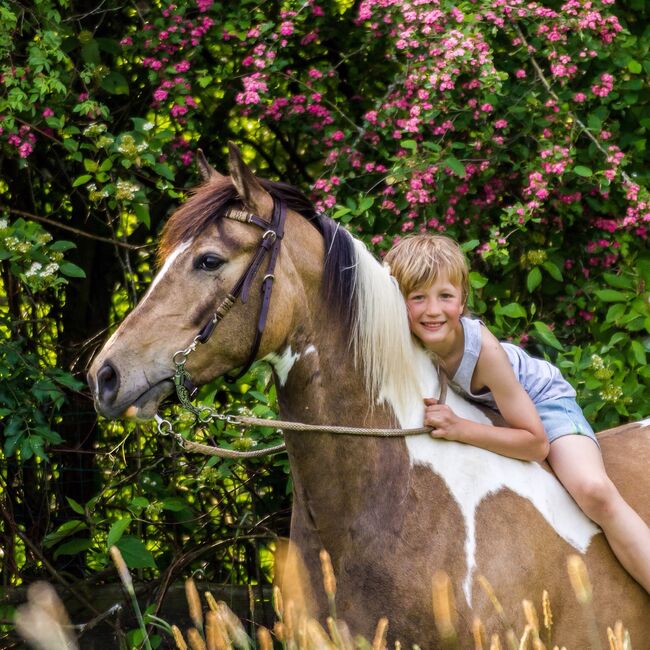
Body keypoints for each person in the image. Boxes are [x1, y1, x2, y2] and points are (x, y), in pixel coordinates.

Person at [384, 233, 650, 594]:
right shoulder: (406, 338)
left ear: (462, 300)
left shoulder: (484, 352)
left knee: (594, 490)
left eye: (445, 296)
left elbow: (536, 443)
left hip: (540, 405)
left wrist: (460, 428)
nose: (433, 310)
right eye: (418, 297)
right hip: (485, 412)